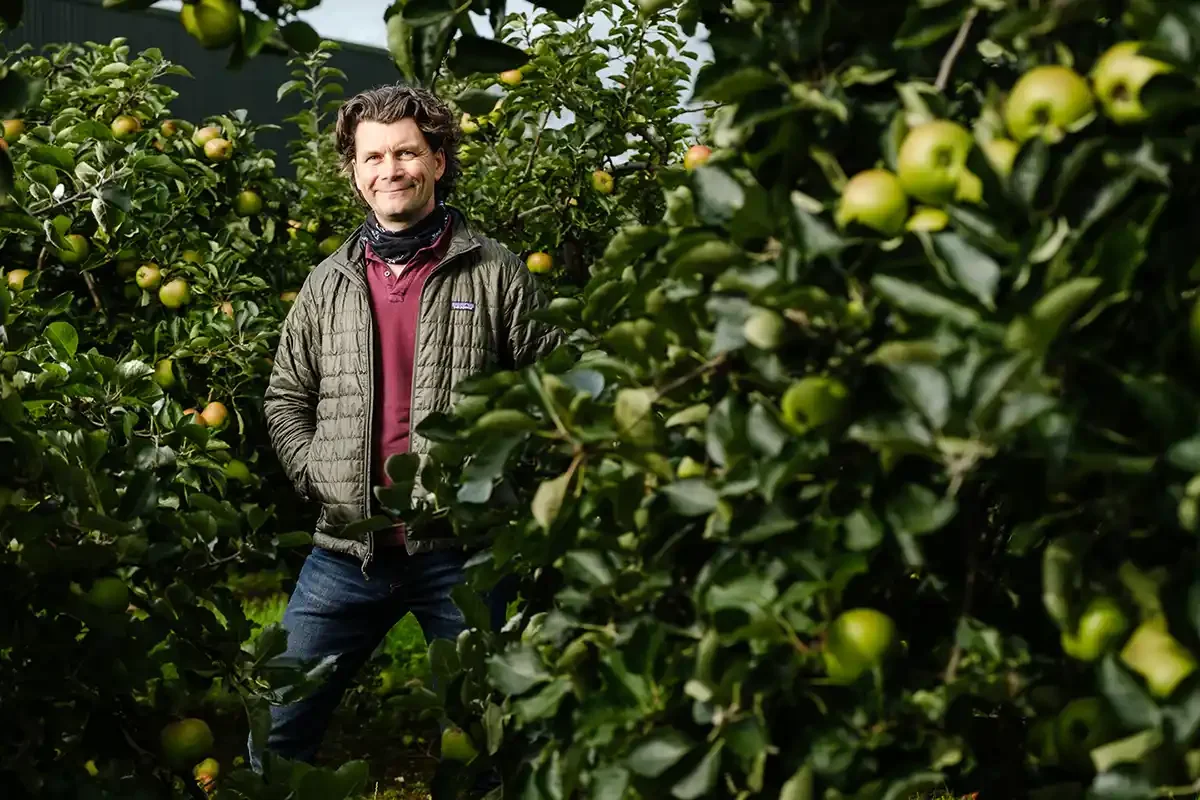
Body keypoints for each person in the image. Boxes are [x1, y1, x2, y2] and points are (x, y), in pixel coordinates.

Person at [253, 84, 558, 780]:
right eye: (373, 156)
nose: (390, 169)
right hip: (343, 553)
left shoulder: (496, 272)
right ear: (354, 171)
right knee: (272, 728)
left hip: (462, 551)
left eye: (407, 152)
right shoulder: (326, 282)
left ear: (438, 161)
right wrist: (319, 476)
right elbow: (285, 396)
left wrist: (501, 487)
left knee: (494, 744)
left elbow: (551, 391)